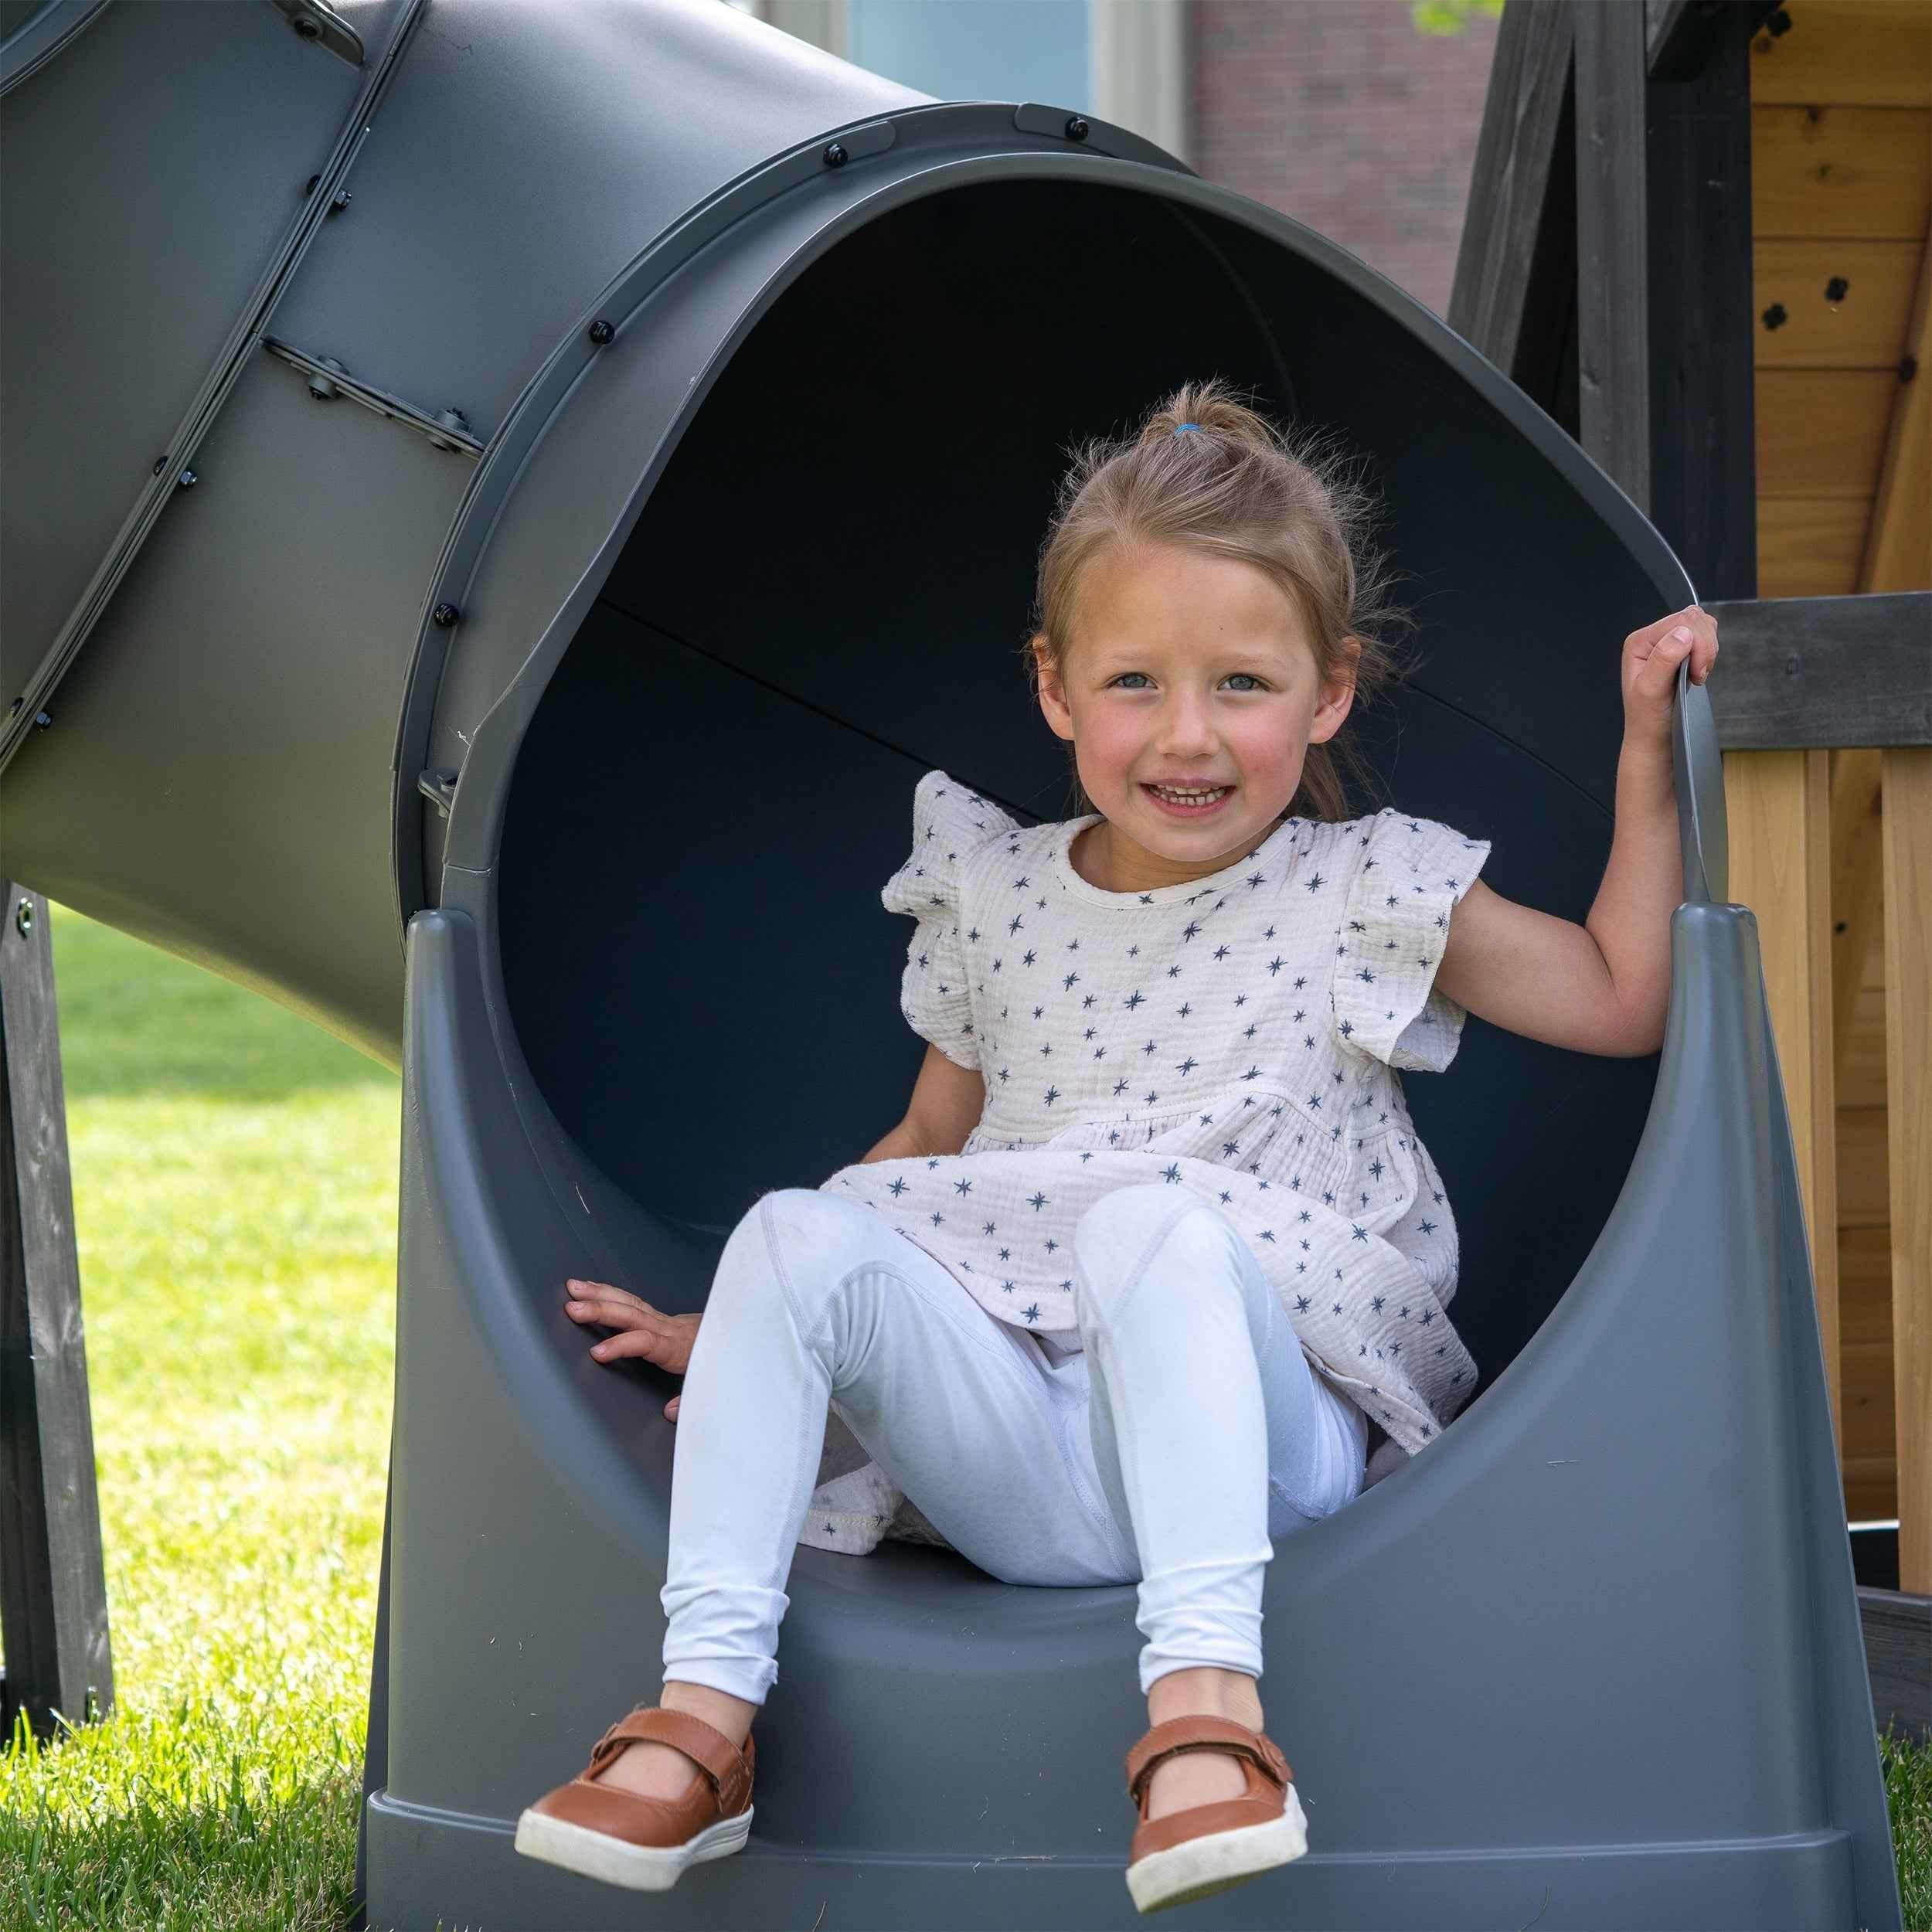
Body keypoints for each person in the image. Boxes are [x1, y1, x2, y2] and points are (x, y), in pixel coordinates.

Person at [514, 378, 1719, 1913]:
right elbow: (924, 1143)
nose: (1188, 733)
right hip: (1025, 1450)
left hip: (1258, 1442)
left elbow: (1620, 998)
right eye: (1135, 682)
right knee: (791, 1230)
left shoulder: (1361, 885)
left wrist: (1640, 746)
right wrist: (756, 1329)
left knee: (1146, 1228)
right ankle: (701, 1714)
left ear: (1328, 691)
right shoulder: (993, 890)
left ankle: (1204, 1715)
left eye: (1241, 683)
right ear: (1055, 688)